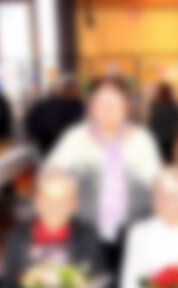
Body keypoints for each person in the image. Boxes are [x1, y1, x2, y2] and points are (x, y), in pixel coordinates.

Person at [44, 76, 162, 276]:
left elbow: (157, 184)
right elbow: (49, 176)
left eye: (114, 103)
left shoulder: (142, 139)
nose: (107, 109)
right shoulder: (75, 137)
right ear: (91, 107)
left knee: (128, 280)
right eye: (100, 103)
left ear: (127, 107)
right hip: (84, 231)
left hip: (133, 230)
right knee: (89, 283)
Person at [24, 77, 84, 156]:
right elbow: (32, 121)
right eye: (72, 89)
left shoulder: (75, 105)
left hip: (57, 142)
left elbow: (31, 121)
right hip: (50, 141)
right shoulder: (46, 105)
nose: (75, 92)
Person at [148, 82, 178, 163]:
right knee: (157, 158)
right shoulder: (155, 104)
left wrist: (177, 133)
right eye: (161, 92)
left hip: (168, 137)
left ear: (168, 93)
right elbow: (151, 120)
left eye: (164, 92)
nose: (162, 94)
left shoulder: (173, 105)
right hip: (156, 136)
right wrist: (149, 133)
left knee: (168, 158)